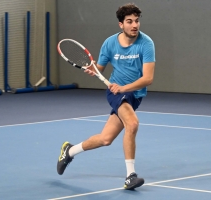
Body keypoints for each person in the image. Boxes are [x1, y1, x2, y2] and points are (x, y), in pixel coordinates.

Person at [57, 3, 155, 190]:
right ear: (121, 24)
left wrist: (124, 87)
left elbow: (148, 78)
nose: (134, 25)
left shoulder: (146, 43)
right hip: (115, 93)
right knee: (132, 124)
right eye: (129, 21)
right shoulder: (109, 43)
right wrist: (92, 69)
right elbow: (98, 68)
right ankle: (130, 176)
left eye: (136, 21)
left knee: (105, 139)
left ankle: (70, 151)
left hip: (134, 94)